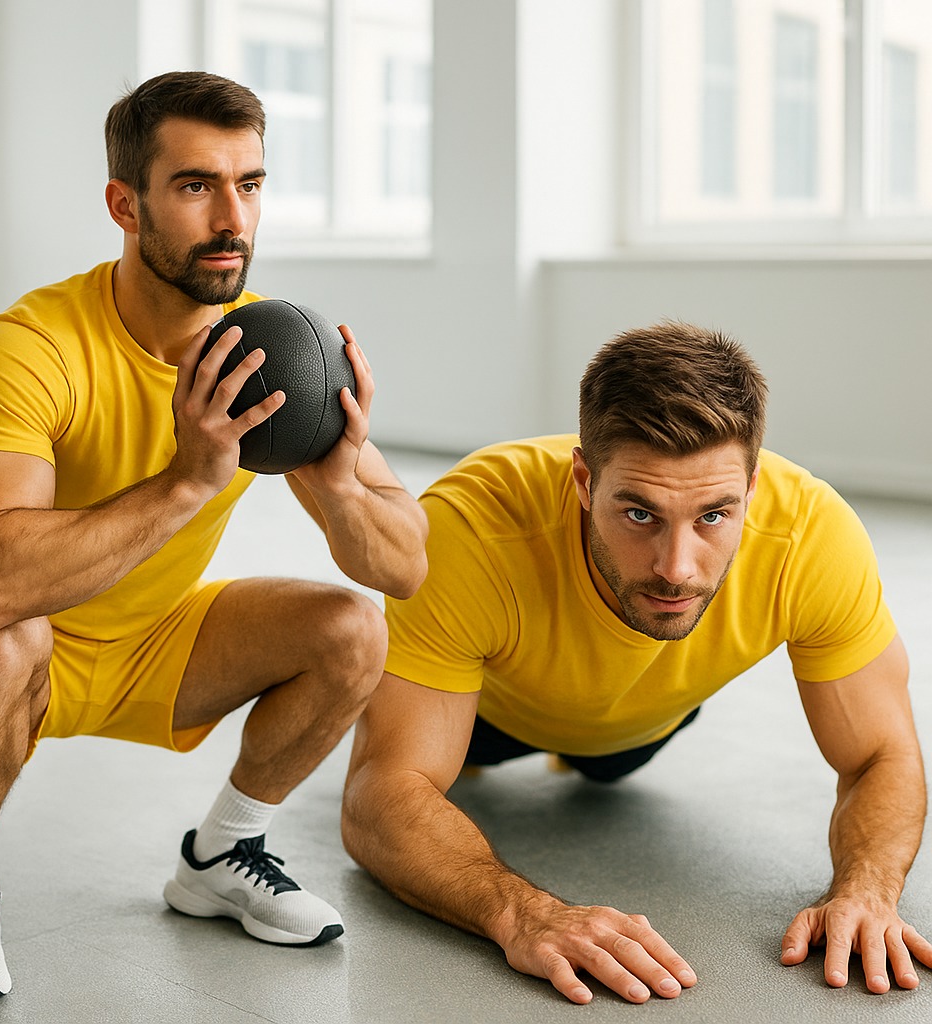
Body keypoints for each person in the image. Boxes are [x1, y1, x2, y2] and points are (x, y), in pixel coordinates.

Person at [0, 70, 429, 1003]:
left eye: (251, 184)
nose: (233, 217)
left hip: (156, 641)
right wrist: (188, 480)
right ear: (125, 203)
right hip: (24, 642)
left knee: (353, 629)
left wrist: (342, 486)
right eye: (196, 186)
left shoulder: (268, 352)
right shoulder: (30, 345)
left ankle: (222, 856)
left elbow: (405, 564)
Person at [343, 322, 930, 1004]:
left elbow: (884, 754)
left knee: (611, 766)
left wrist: (867, 891)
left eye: (714, 515)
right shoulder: (468, 530)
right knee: (434, 761)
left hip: (643, 724)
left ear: (753, 487)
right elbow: (377, 798)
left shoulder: (813, 537)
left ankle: (601, 745)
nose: (677, 570)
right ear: (585, 482)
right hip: (489, 711)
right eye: (640, 514)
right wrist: (523, 914)